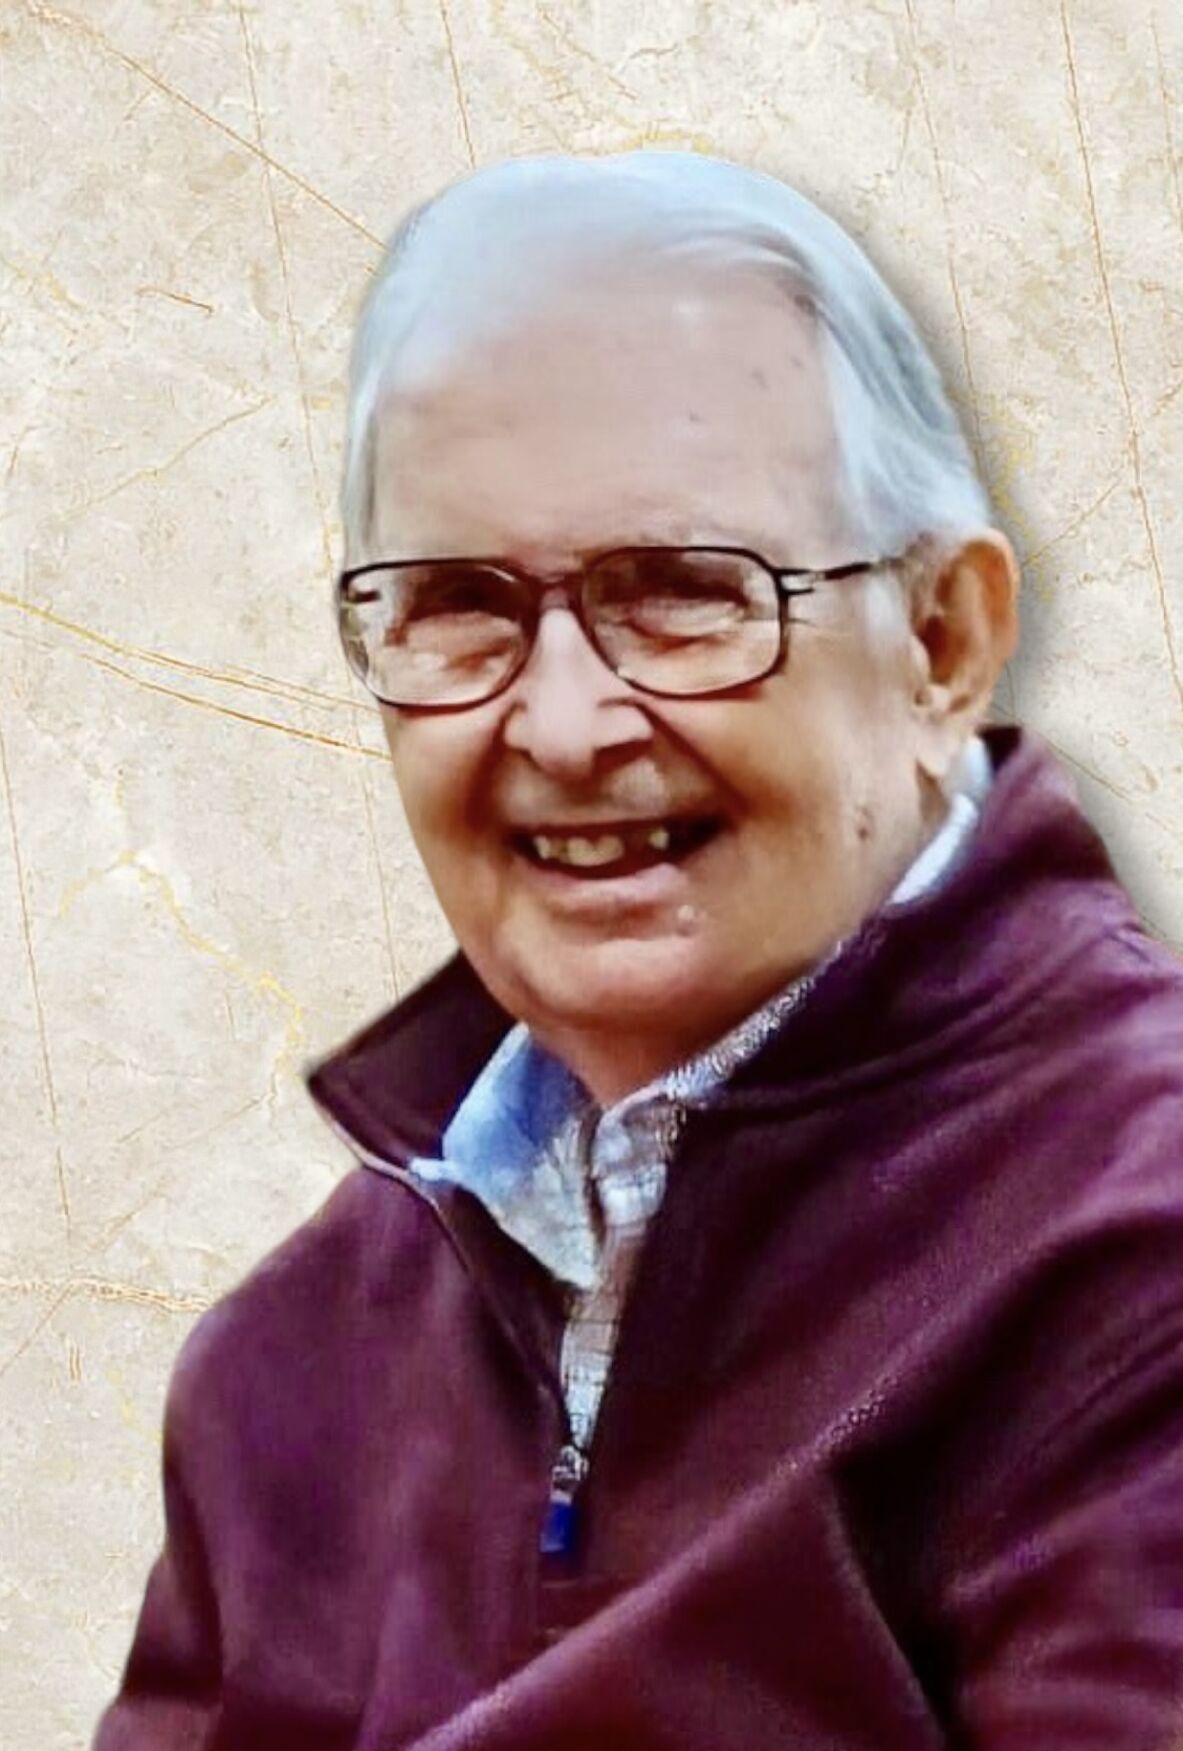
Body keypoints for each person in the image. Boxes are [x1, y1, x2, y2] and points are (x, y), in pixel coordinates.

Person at [95, 152, 1183, 1751]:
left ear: (942, 641)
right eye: (458, 606)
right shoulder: (297, 1368)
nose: (563, 724)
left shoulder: (1134, 1246)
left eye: (681, 593)